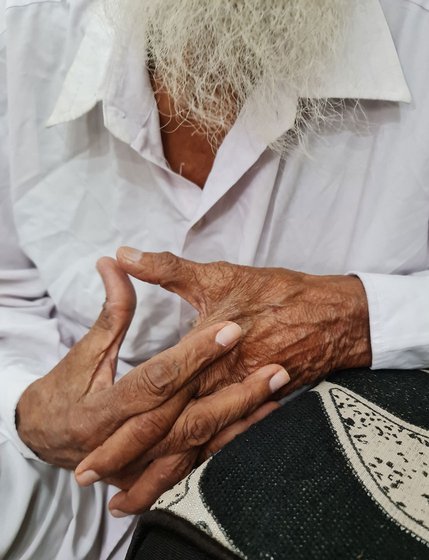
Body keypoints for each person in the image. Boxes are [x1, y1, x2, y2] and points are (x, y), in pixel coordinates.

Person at [0, 0, 428, 558]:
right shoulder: (27, 30)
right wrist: (28, 410)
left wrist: (358, 318)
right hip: (56, 497)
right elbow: (9, 292)